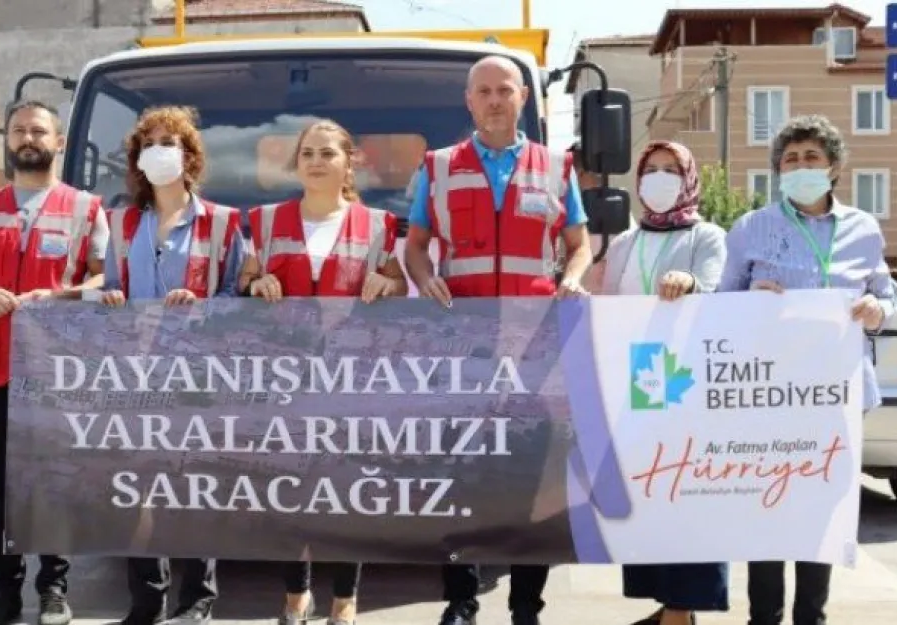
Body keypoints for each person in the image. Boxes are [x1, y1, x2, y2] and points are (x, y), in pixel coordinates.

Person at [404, 54, 593, 625]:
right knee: (462, 475)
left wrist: (572, 278)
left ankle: (525, 606)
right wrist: (423, 274)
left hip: (535, 344)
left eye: (504, 90)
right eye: (482, 91)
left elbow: (579, 244)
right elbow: (415, 244)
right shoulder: (436, 167)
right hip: (463, 345)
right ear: (468, 100)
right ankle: (461, 601)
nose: (493, 100)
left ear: (522, 99)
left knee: (531, 477)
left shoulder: (557, 166)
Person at [717, 114, 895, 625]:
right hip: (768, 397)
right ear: (778, 170)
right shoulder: (752, 228)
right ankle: (764, 618)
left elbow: (883, 298)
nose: (800, 166)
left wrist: (877, 312)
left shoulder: (865, 229)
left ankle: (811, 617)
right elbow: (719, 303)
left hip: (835, 397)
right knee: (768, 511)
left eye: (811, 157)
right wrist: (748, 301)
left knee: (821, 513)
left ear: (833, 167)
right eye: (790, 159)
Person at [237, 119, 407, 625]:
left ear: (348, 162)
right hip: (284, 380)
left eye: (327, 153)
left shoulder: (377, 225)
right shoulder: (265, 222)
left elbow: (398, 287)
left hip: (351, 379)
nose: (315, 161)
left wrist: (387, 283)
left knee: (346, 494)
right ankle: (296, 595)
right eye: (307, 152)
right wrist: (257, 281)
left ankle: (345, 600)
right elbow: (244, 280)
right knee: (290, 492)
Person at [0, 100, 109, 625]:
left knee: (54, 479)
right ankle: (3, 591)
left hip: (58, 365)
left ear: (60, 143)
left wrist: (61, 297)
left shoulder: (86, 208)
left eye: (39, 130)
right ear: (8, 140)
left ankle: (54, 587)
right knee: (4, 484)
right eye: (18, 129)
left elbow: (106, 279)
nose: (27, 137)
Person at [100, 105, 247, 625]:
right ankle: (146, 601)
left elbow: (239, 296)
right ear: (139, 160)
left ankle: (198, 600)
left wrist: (205, 304)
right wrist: (111, 300)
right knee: (138, 488)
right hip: (134, 375)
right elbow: (110, 288)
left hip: (198, 374)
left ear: (190, 158)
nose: (159, 151)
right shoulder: (120, 222)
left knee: (194, 488)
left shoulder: (225, 223)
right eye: (149, 143)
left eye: (172, 142)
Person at [592, 140, 729, 625]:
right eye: (652, 170)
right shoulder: (626, 242)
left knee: (690, 493)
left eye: (673, 170)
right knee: (650, 494)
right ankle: (668, 604)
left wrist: (688, 285)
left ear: (689, 178)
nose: (661, 178)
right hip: (637, 385)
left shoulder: (706, 236)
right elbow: (606, 307)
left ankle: (680, 609)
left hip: (687, 385)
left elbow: (715, 291)